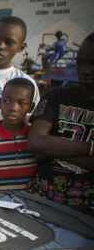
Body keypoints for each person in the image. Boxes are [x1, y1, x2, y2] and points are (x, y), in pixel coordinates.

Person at [27, 32, 94, 211]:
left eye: (92, 63)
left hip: (87, 207)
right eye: (80, 62)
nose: (85, 70)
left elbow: (43, 148)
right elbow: (36, 142)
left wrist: (53, 149)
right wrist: (90, 147)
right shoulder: (55, 96)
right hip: (41, 196)